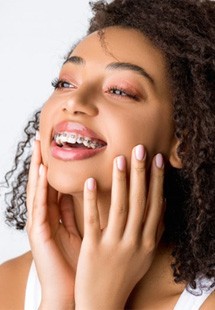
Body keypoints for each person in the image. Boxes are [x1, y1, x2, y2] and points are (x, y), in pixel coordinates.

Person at [0, 0, 215, 309]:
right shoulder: (8, 286)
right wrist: (57, 299)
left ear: (185, 139)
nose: (75, 101)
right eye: (65, 82)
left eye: (120, 91)